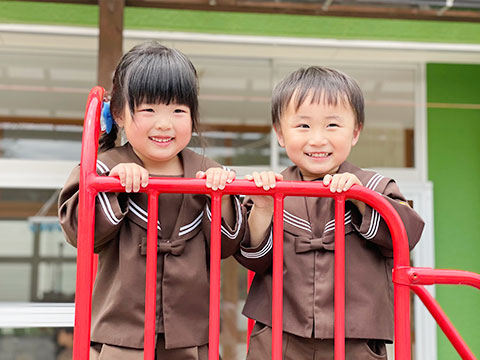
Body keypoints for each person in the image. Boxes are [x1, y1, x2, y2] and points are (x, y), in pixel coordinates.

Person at [58, 42, 245, 360]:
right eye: (149, 110)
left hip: (191, 335)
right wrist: (113, 186)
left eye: (178, 111)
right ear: (118, 113)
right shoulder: (101, 168)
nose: (164, 123)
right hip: (120, 336)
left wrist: (223, 196)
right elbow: (80, 232)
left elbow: (227, 245)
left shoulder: (207, 171)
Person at [236, 66, 425, 360]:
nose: (318, 140)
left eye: (332, 126)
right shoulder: (274, 189)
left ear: (355, 132)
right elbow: (253, 259)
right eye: (303, 126)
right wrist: (261, 208)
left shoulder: (375, 186)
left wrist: (363, 199)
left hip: (357, 340)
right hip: (278, 336)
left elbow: (407, 234)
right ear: (280, 134)